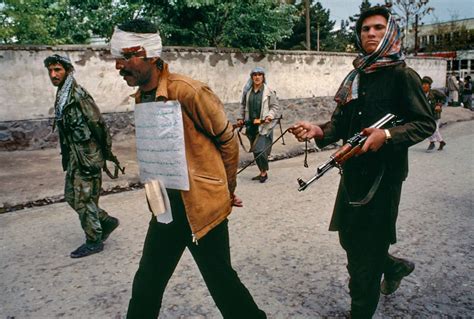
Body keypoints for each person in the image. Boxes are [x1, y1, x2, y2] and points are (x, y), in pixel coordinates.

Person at [110, 19, 266, 319]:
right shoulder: (142, 97)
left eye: (127, 56)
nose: (120, 66)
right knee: (147, 284)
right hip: (165, 207)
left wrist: (226, 191)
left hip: (202, 208)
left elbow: (228, 142)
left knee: (222, 284)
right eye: (117, 58)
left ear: (151, 55)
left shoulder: (189, 92)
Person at [290, 7, 435, 318]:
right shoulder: (356, 75)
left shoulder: (403, 76)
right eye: (365, 28)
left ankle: (360, 309)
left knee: (365, 255)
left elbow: (425, 123)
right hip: (353, 171)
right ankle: (393, 266)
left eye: (378, 28)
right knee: (350, 238)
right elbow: (340, 123)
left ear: (390, 33)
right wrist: (318, 131)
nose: (371, 33)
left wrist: (387, 134)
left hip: (385, 176)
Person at [44, 55, 120, 258]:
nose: (53, 74)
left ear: (67, 70)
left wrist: (106, 153)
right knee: (72, 197)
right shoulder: (62, 95)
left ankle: (94, 241)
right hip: (74, 158)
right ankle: (105, 221)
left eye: (57, 70)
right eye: (50, 70)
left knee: (84, 200)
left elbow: (98, 124)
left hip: (88, 157)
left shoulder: (78, 95)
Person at [237, 67, 280, 183]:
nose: (257, 77)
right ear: (252, 77)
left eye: (259, 74)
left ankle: (264, 172)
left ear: (263, 77)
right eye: (254, 75)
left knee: (260, 149)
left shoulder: (269, 91)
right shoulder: (248, 92)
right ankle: (262, 170)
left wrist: (270, 116)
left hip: (263, 125)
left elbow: (274, 106)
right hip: (251, 125)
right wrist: (240, 118)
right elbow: (242, 105)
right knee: (255, 151)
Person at [422, 76, 447, 151]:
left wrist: (439, 105)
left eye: (426, 84)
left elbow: (444, 98)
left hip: (435, 114)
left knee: (434, 130)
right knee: (426, 129)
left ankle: (432, 142)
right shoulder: (421, 94)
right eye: (423, 84)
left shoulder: (434, 92)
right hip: (426, 115)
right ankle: (441, 142)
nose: (424, 86)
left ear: (429, 86)